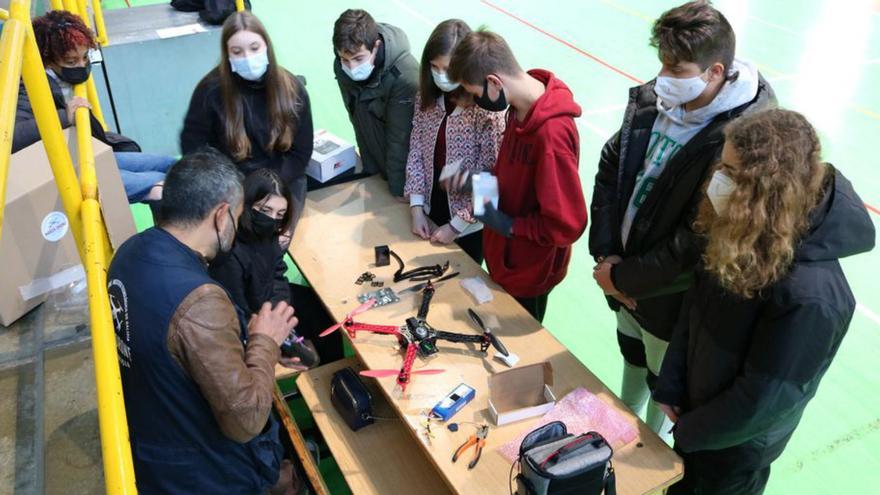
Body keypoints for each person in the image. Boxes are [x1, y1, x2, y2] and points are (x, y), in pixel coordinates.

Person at [654, 109, 875, 494]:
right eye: (721, 166)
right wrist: (672, 384)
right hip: (698, 419)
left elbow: (763, 401)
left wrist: (692, 430)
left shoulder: (814, 297)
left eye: (732, 173)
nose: (718, 181)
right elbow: (696, 308)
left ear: (768, 188)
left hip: (733, 449)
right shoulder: (742, 227)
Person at [587, 0, 775, 439]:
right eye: (662, 66)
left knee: (661, 379)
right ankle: (619, 430)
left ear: (715, 72)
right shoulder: (658, 102)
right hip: (622, 275)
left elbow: (701, 238)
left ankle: (647, 449)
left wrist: (628, 278)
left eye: (677, 70)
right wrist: (607, 254)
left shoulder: (741, 137)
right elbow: (612, 164)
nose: (663, 79)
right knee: (631, 355)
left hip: (667, 297)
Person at [108, 149, 305, 494]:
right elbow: (245, 420)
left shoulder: (128, 252)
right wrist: (265, 341)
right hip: (204, 473)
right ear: (221, 215)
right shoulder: (200, 301)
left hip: (152, 448)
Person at [447, 30, 588, 322]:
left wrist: (509, 226)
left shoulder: (551, 135)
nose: (475, 101)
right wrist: (478, 185)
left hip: (528, 273)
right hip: (504, 262)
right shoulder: (518, 110)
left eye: (475, 94)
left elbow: (567, 225)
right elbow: (513, 176)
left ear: (494, 83)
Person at [14, 10, 173, 203]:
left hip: (88, 153)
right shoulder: (29, 85)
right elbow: (12, 136)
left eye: (85, 58)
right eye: (71, 62)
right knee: (164, 182)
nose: (81, 65)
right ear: (47, 60)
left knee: (170, 165)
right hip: (63, 168)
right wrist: (66, 116)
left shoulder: (63, 77)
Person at [182, 11, 314, 229]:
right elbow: (195, 150)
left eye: (254, 48)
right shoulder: (209, 92)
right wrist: (237, 191)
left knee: (276, 239)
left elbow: (300, 152)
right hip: (231, 186)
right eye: (237, 51)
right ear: (228, 56)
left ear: (267, 48)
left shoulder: (293, 90)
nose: (248, 57)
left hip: (283, 180)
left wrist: (270, 189)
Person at [209, 168, 339, 363]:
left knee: (322, 310)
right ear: (246, 205)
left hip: (268, 300)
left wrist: (280, 308)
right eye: (265, 210)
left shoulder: (268, 234)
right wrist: (272, 329)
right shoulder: (230, 254)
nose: (272, 219)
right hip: (249, 320)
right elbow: (237, 311)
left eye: (280, 213)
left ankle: (333, 366)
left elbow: (277, 273)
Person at [404, 19, 506, 264]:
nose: (440, 76)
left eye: (448, 69)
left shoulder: (487, 113)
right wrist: (416, 208)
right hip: (430, 208)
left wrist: (457, 225)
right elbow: (416, 148)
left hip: (469, 227)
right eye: (434, 67)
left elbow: (490, 179)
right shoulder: (426, 98)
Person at [332, 8, 419, 200]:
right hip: (379, 166)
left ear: (376, 46)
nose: (351, 68)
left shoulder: (406, 77)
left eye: (358, 59)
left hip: (407, 173)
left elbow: (400, 138)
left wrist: (399, 189)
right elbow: (356, 117)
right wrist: (370, 169)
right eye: (344, 59)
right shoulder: (341, 66)